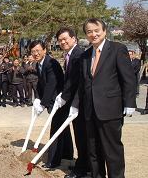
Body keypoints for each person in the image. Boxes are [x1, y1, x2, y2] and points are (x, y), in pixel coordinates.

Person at [71, 18, 136, 178]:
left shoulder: (117, 49)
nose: (93, 34)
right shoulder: (86, 55)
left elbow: (128, 78)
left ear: (104, 31)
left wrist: (129, 102)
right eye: (89, 32)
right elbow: (84, 84)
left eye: (96, 30)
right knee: (93, 151)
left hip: (110, 109)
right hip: (89, 110)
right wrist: (75, 105)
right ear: (86, 34)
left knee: (112, 150)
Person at [30, 40, 72, 168]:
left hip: (59, 101)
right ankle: (67, 153)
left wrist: (43, 104)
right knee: (63, 129)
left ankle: (53, 160)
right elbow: (41, 84)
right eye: (33, 52)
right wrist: (37, 98)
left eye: (38, 50)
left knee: (55, 129)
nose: (36, 53)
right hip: (53, 101)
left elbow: (51, 85)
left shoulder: (50, 63)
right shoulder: (39, 64)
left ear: (44, 50)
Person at [53, 27, 89, 178]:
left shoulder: (78, 55)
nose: (62, 42)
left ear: (74, 38)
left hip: (80, 101)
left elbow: (74, 81)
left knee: (82, 136)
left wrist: (64, 97)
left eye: (65, 39)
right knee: (80, 135)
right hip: (74, 101)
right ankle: (83, 163)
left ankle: (82, 168)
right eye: (60, 40)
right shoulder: (70, 55)